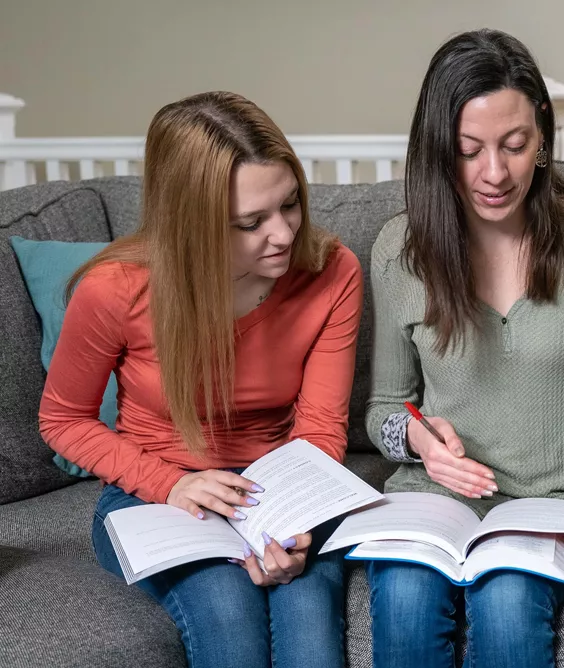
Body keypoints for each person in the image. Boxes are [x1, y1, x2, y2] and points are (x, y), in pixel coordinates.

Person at [364, 28, 564, 668]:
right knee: (406, 605)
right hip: (433, 503)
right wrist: (418, 439)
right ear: (438, 151)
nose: (494, 174)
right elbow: (386, 408)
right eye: (469, 151)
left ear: (543, 141)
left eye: (515, 146)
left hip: (559, 507)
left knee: (506, 609)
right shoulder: (398, 251)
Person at [38, 91, 363, 668]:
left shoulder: (332, 272)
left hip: (281, 488)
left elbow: (319, 426)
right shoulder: (116, 289)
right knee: (227, 616)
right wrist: (171, 484)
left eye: (290, 204)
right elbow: (62, 419)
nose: (284, 234)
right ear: (192, 223)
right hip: (153, 492)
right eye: (251, 222)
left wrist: (290, 525)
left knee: (309, 626)